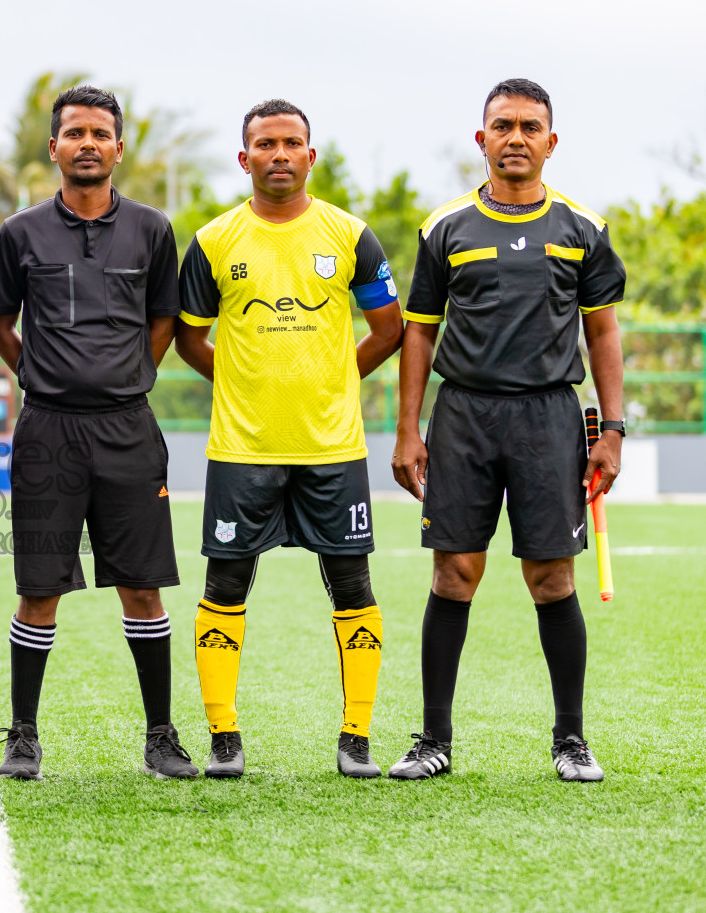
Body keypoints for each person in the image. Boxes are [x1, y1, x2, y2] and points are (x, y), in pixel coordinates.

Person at [389, 78, 625, 783]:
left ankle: (571, 739)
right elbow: (419, 335)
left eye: (529, 126)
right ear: (481, 139)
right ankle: (434, 739)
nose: (515, 137)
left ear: (551, 142)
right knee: (454, 573)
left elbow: (603, 332)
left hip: (551, 418)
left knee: (551, 577)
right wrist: (408, 428)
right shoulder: (447, 227)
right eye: (503, 125)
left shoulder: (582, 229)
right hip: (463, 416)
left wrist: (611, 429)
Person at [174, 99, 403, 779]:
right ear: (244, 159)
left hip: (332, 448)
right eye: (265, 145)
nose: (279, 154)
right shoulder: (215, 241)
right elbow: (188, 337)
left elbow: (389, 329)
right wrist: (239, 382)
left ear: (311, 155)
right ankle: (223, 737)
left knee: (354, 585)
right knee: (226, 582)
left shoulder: (350, 234)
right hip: (243, 449)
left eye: (291, 143)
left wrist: (336, 380)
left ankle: (356, 737)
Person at [0, 85, 196, 781]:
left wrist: (129, 372)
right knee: (39, 588)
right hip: (47, 430)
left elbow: (164, 319)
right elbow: (2, 323)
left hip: (128, 429)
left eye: (100, 134)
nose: (87, 144)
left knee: (142, 587)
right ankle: (22, 736)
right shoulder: (19, 234)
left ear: (118, 147)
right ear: (54, 147)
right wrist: (43, 376)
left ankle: (160, 737)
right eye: (74, 133)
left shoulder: (152, 230)